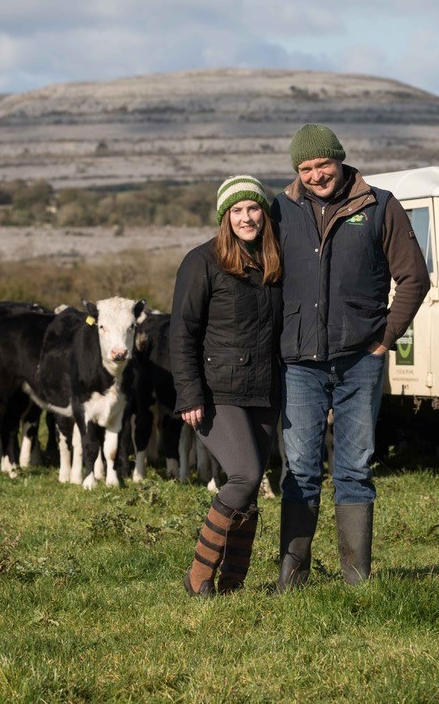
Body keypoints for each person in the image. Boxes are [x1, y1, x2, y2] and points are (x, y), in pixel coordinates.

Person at [272, 123, 431, 587]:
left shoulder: (379, 206)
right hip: (299, 362)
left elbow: (414, 278)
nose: (316, 175)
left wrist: (385, 338)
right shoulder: (279, 210)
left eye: (323, 164)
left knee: (354, 468)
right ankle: (291, 580)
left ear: (340, 159)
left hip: (361, 359)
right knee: (299, 469)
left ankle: (356, 581)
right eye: (306, 168)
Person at [171, 175, 283, 597]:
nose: (246, 217)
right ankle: (199, 576)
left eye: (252, 208)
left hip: (265, 389)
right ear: (224, 217)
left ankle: (233, 582)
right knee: (245, 474)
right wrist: (189, 393)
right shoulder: (202, 261)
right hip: (218, 391)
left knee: (251, 487)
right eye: (236, 211)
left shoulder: (273, 262)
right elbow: (182, 333)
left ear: (263, 213)